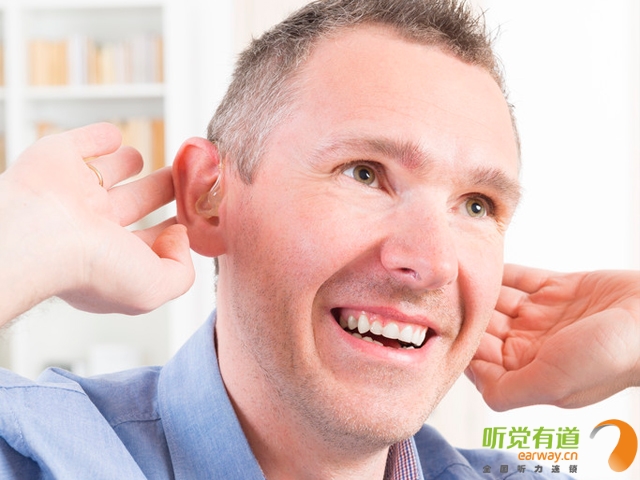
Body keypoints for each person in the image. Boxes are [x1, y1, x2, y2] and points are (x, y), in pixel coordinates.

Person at [0, 0, 638, 478]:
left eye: (477, 205)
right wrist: (18, 246)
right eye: (364, 173)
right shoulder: (38, 454)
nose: (433, 262)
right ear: (209, 197)